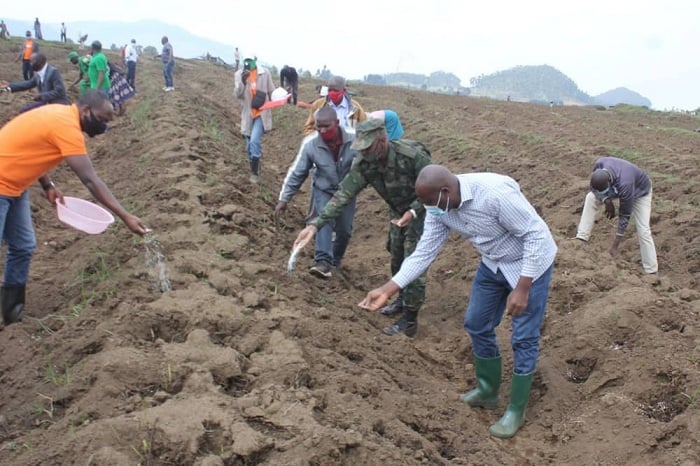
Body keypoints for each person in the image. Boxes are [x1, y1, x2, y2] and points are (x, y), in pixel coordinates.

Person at [358, 165, 557, 438]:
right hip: (493, 263)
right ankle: (488, 391)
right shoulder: (440, 208)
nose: (428, 208)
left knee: (523, 337)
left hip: (529, 265)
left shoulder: (493, 195)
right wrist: (389, 288)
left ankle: (516, 410)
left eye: (429, 202)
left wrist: (523, 287)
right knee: (476, 323)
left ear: (445, 191)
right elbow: (424, 251)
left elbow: (536, 235)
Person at [0, 90, 148, 326]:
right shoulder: (66, 126)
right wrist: (125, 216)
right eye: (102, 119)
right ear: (86, 111)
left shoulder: (60, 115)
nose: (103, 126)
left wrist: (48, 184)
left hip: (14, 186)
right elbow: (90, 180)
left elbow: (31, 148)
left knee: (24, 245)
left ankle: (11, 313)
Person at [293, 119, 432, 337]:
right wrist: (315, 225)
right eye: (362, 148)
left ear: (382, 141)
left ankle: (410, 319)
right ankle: (401, 299)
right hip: (397, 213)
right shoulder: (365, 164)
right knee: (396, 256)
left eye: (368, 148)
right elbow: (342, 195)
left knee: (413, 260)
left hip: (423, 212)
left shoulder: (412, 157)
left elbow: (437, 188)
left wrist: (413, 212)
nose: (364, 153)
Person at [276, 107, 358, 278]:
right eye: (318, 127)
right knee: (322, 222)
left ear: (336, 123)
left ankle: (335, 260)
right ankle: (322, 262)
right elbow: (297, 173)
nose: (322, 131)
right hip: (323, 189)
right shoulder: (311, 144)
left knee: (344, 230)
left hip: (347, 191)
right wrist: (284, 199)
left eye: (326, 126)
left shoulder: (354, 139)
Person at [575, 156, 658, 275]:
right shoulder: (599, 165)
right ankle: (582, 238)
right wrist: (606, 200)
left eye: (605, 190)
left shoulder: (626, 183)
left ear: (609, 182)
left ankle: (651, 270)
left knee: (643, 230)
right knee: (590, 198)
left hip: (640, 192)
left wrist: (615, 245)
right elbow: (593, 188)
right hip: (617, 186)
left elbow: (624, 216)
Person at [234, 57, 275, 183]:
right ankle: (256, 165)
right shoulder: (239, 74)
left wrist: (279, 97)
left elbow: (271, 91)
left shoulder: (265, 73)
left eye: (250, 60)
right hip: (248, 114)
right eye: (246, 61)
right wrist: (243, 81)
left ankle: (254, 174)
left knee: (254, 141)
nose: (248, 63)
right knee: (249, 147)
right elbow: (237, 94)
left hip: (261, 114)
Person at [1, 53, 69, 113]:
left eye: (32, 62)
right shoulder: (38, 74)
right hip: (46, 102)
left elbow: (59, 91)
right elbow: (27, 84)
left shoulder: (53, 72)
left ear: (40, 63)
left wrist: (41, 96)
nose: (30, 64)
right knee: (24, 111)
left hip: (58, 104)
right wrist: (9, 85)